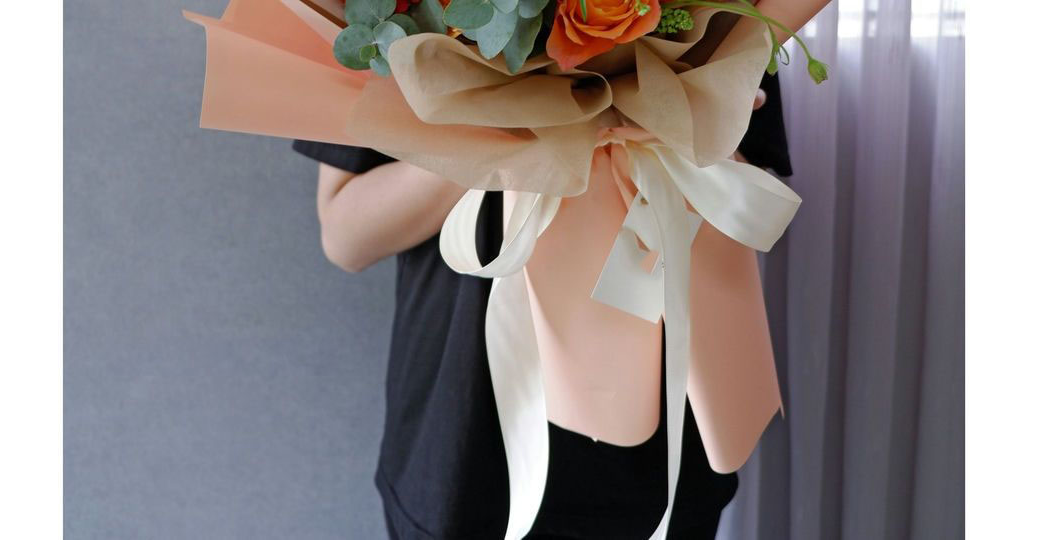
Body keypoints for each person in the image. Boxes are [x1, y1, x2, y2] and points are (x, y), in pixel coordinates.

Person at [295, 74, 792, 540]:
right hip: (465, 446)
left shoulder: (721, 8)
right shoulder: (388, 11)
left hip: (661, 457)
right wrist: (511, 129)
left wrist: (668, 123)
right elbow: (346, 234)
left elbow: (746, 205)